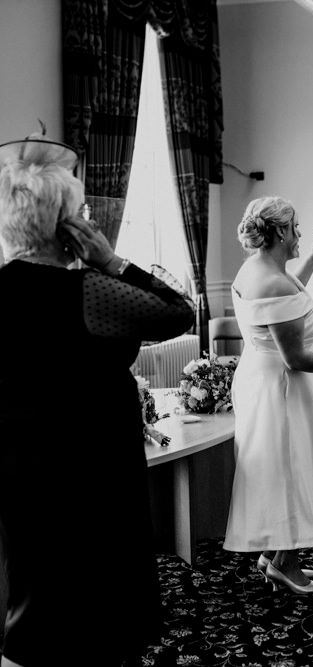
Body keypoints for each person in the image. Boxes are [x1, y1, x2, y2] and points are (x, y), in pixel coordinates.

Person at [0, 133, 195, 667]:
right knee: (104, 580)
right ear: (69, 227)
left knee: (32, 574)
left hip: (19, 459)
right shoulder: (90, 291)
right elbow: (179, 313)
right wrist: (110, 260)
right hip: (94, 456)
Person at [222, 196, 313, 594]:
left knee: (275, 465)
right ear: (282, 230)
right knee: (292, 468)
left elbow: (289, 293)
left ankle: (273, 552)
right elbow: (297, 358)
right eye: (296, 227)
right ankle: (286, 563)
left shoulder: (256, 270)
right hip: (283, 388)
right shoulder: (273, 281)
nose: (300, 233)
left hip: (259, 378)